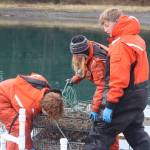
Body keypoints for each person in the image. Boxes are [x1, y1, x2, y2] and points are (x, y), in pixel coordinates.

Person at [84, 8, 150, 150]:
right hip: (140, 95)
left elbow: (119, 80)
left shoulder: (120, 45)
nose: (104, 29)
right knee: (136, 133)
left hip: (126, 97)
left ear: (116, 22)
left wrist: (110, 106)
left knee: (100, 133)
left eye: (106, 25)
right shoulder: (136, 39)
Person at [68, 34, 119, 150]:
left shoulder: (97, 61)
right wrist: (75, 79)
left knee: (106, 127)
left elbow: (102, 87)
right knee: (108, 128)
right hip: (109, 89)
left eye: (76, 56)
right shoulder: (89, 46)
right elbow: (85, 67)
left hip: (112, 90)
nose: (75, 58)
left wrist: (95, 109)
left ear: (81, 54)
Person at [0, 73, 64, 150]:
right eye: (48, 113)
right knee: (18, 127)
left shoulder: (44, 88)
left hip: (9, 89)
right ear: (44, 109)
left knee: (26, 126)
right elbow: (24, 119)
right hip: (2, 98)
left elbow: (37, 76)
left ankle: (27, 146)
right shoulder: (29, 104)